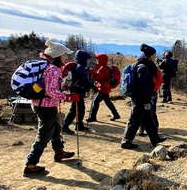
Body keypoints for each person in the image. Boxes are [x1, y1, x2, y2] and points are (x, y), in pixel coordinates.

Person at [24, 40, 78, 176]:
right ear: (58, 55)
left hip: (43, 104)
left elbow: (50, 89)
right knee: (44, 135)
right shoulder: (53, 69)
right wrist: (67, 97)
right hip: (45, 106)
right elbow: (50, 91)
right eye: (65, 55)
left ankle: (59, 152)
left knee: (56, 128)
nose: (67, 57)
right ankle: (30, 165)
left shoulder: (48, 67)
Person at [121, 44, 166, 149]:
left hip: (142, 97)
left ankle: (155, 139)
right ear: (150, 56)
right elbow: (143, 86)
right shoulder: (143, 67)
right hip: (140, 98)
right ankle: (126, 141)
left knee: (148, 119)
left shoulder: (144, 65)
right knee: (134, 119)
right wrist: (146, 99)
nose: (155, 57)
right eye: (154, 55)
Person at [62, 50, 93, 134]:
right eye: (87, 59)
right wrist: (92, 85)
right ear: (83, 59)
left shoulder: (77, 66)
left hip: (75, 90)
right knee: (75, 109)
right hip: (77, 91)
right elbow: (84, 81)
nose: (88, 61)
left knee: (80, 108)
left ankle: (79, 125)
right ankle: (65, 126)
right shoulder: (80, 68)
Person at [87, 54, 120, 122]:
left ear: (101, 60)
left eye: (98, 59)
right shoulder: (104, 67)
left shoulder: (103, 68)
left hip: (103, 88)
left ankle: (93, 117)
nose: (97, 60)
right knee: (108, 102)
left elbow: (99, 78)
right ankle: (116, 115)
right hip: (106, 87)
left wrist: (91, 72)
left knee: (96, 102)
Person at [139, 65, 163, 136]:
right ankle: (155, 128)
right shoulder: (154, 69)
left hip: (141, 93)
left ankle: (142, 130)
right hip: (152, 93)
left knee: (142, 111)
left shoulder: (139, 67)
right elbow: (159, 81)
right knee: (152, 111)